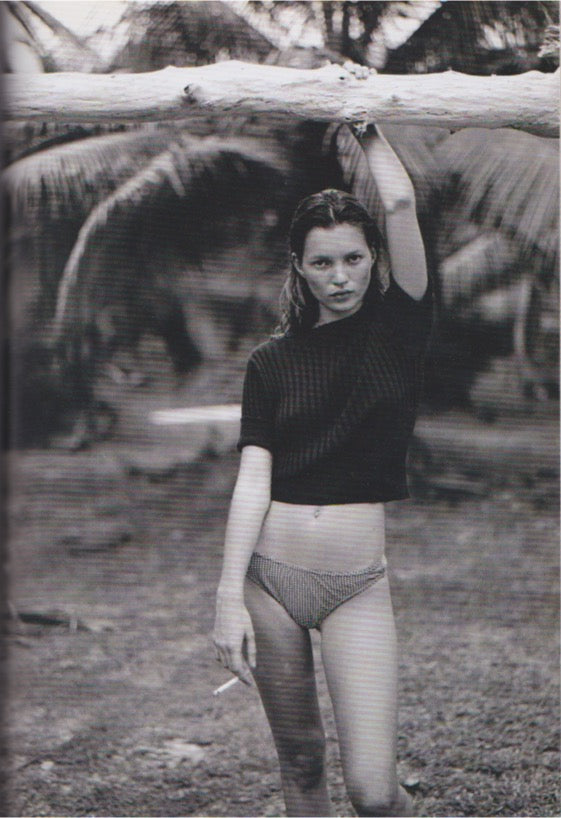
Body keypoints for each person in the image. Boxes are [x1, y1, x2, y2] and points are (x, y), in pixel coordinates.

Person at [213, 123, 432, 817]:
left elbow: (399, 203)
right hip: (269, 582)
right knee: (302, 762)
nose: (340, 277)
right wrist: (226, 596)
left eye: (353, 258)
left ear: (373, 259)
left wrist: (365, 125)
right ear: (299, 268)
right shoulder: (270, 362)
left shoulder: (400, 329)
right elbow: (253, 479)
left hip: (355, 585)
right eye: (323, 263)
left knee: (373, 792)